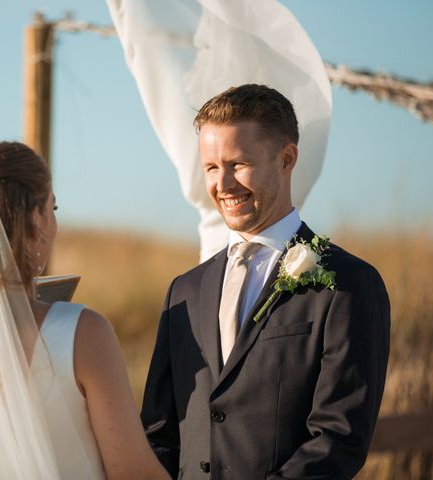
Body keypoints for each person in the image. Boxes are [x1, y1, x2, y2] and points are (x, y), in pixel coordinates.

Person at [141, 84, 390, 479]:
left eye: (237, 164)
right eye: (210, 167)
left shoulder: (348, 285)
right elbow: (159, 432)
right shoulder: (184, 292)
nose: (221, 184)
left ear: (287, 159)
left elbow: (339, 437)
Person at [0, 141, 169, 480]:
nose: (54, 225)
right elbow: (132, 472)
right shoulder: (82, 333)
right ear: (35, 218)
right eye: (53, 209)